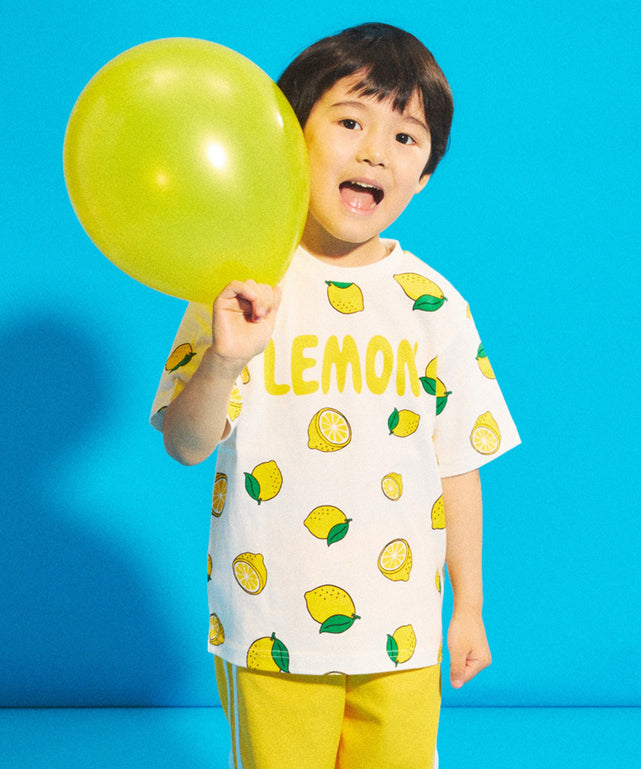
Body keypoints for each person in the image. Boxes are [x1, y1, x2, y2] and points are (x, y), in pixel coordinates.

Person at [151, 22, 520, 769]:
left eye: (405, 138)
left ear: (423, 176)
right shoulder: (239, 284)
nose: (375, 152)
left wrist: (470, 606)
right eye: (350, 122)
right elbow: (185, 445)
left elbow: (459, 464)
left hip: (401, 631)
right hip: (271, 625)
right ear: (288, 141)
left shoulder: (435, 305)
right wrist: (223, 360)